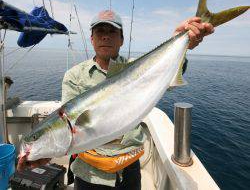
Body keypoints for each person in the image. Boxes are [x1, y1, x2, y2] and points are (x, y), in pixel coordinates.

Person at [17, 10, 214, 189]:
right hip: (89, 174)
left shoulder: (136, 67)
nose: (105, 36)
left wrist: (182, 41)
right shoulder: (74, 76)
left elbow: (165, 75)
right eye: (99, 31)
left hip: (129, 169)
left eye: (111, 32)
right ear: (92, 39)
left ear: (121, 40)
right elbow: (69, 137)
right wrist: (44, 153)